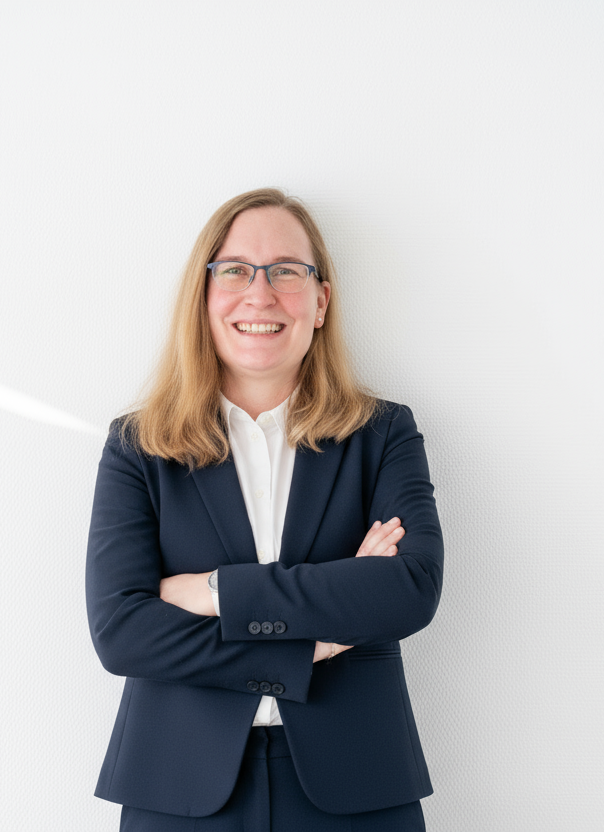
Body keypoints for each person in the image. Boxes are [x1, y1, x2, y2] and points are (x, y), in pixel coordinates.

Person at [85, 188, 443, 831]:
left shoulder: (383, 434)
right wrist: (313, 644)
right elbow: (122, 631)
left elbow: (407, 590)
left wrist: (214, 591)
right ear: (203, 297)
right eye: (235, 271)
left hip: (358, 782)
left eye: (285, 271)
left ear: (321, 301)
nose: (260, 294)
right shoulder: (140, 446)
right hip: (179, 785)